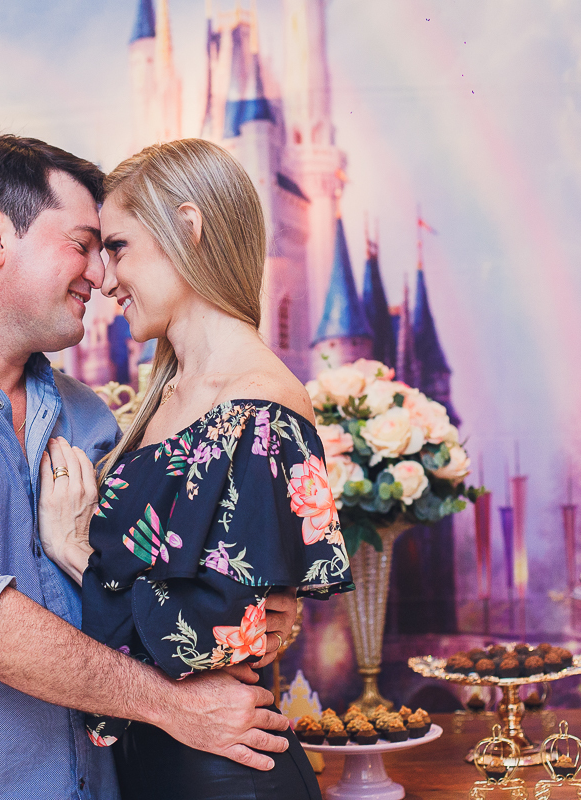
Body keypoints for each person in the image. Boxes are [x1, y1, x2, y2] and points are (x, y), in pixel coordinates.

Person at [0, 135, 298, 800]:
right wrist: (174, 705)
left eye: (110, 249)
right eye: (83, 244)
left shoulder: (90, 416)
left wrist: (245, 607)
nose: (101, 275)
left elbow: (149, 597)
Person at [37, 138, 354, 800]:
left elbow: (217, 633)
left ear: (187, 227)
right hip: (157, 764)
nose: (104, 279)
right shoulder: (166, 400)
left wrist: (73, 549)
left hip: (225, 777)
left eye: (118, 247)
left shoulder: (263, 405)